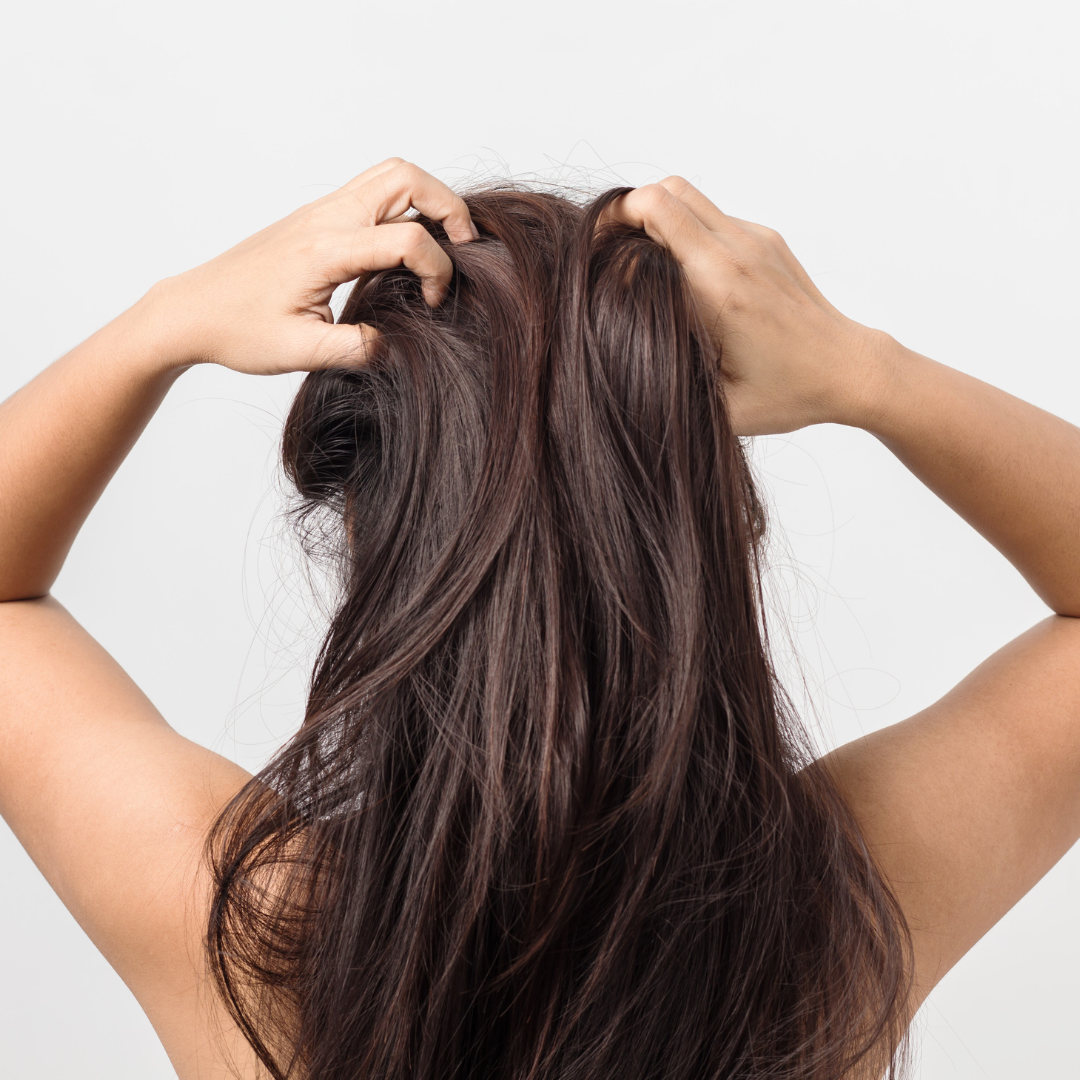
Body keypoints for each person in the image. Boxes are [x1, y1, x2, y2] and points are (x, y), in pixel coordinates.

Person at [0, 158, 1077, 1080]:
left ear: (381, 547)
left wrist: (161, 322)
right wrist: (866, 372)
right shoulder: (828, 929)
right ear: (712, 528)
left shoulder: (251, 941)